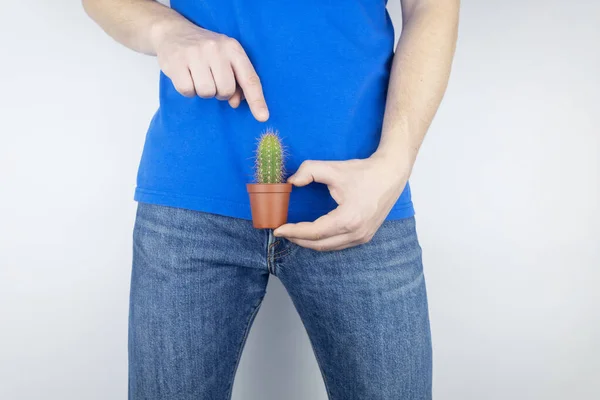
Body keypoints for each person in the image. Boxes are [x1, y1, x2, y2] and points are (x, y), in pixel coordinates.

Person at [83, 0, 459, 398]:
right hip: (191, 199)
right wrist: (166, 30)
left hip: (362, 198)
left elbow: (431, 7)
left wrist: (393, 165)